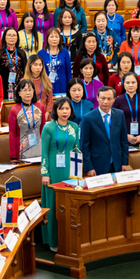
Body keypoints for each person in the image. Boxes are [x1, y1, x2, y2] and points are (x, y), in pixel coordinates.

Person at [41, 99, 79, 251]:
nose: (64, 111)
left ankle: (68, 237)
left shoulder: (74, 126)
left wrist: (78, 173)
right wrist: (44, 173)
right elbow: (44, 151)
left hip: (70, 170)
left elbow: (77, 149)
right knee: (54, 204)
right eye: (61, 108)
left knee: (69, 205)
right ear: (55, 110)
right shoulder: (48, 127)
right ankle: (53, 241)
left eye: (67, 108)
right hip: (53, 171)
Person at [81, 86, 130, 176]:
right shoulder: (88, 118)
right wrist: (89, 167)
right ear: (97, 98)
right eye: (103, 98)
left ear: (114, 99)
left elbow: (124, 141)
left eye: (109, 98)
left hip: (117, 163)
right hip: (97, 165)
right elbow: (84, 146)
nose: (105, 101)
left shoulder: (120, 114)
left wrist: (124, 162)